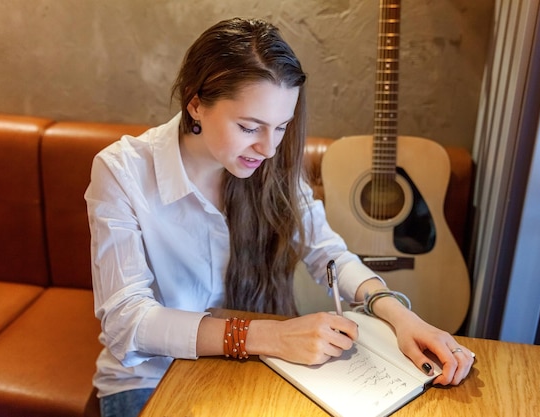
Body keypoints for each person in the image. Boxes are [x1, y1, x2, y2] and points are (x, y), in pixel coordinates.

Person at [85, 17, 475, 417]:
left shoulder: (272, 165)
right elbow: (126, 321)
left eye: (282, 127)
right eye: (249, 127)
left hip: (256, 365)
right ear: (196, 102)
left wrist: (399, 315)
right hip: (152, 377)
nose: (269, 148)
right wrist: (268, 335)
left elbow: (327, 253)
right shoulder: (122, 171)